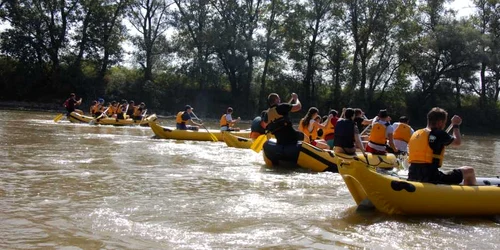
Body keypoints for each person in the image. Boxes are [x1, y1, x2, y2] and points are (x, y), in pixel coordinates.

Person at [408, 107, 476, 185]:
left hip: (412, 175)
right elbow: (457, 142)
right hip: (432, 178)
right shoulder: (438, 133)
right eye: (444, 123)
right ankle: (471, 195)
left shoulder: (416, 134)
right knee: (469, 171)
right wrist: (456, 125)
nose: (444, 125)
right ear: (440, 122)